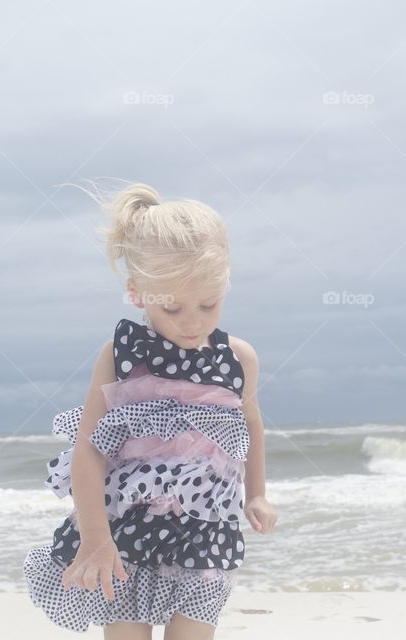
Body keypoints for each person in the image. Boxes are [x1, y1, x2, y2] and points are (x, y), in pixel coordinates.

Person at [23, 182, 278, 640]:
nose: (193, 320)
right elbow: (89, 452)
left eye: (208, 303)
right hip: (126, 526)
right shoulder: (120, 357)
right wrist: (95, 540)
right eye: (172, 306)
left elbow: (250, 427)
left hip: (206, 526)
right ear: (137, 292)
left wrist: (257, 493)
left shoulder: (239, 359)